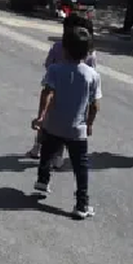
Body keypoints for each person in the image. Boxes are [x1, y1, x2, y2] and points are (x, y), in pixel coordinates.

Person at [32, 26, 100, 220]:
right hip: (76, 129)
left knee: (47, 150)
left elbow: (47, 93)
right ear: (88, 52)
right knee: (81, 167)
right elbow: (95, 104)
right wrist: (90, 123)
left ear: (64, 49)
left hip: (53, 123)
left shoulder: (55, 69)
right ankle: (81, 204)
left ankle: (43, 181)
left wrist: (41, 116)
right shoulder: (92, 75)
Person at [28, 12, 98, 162]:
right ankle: (58, 157)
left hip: (55, 90)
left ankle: (37, 147)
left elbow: (48, 65)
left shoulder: (58, 47)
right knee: (69, 123)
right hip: (77, 96)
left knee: (47, 120)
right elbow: (92, 75)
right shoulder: (90, 54)